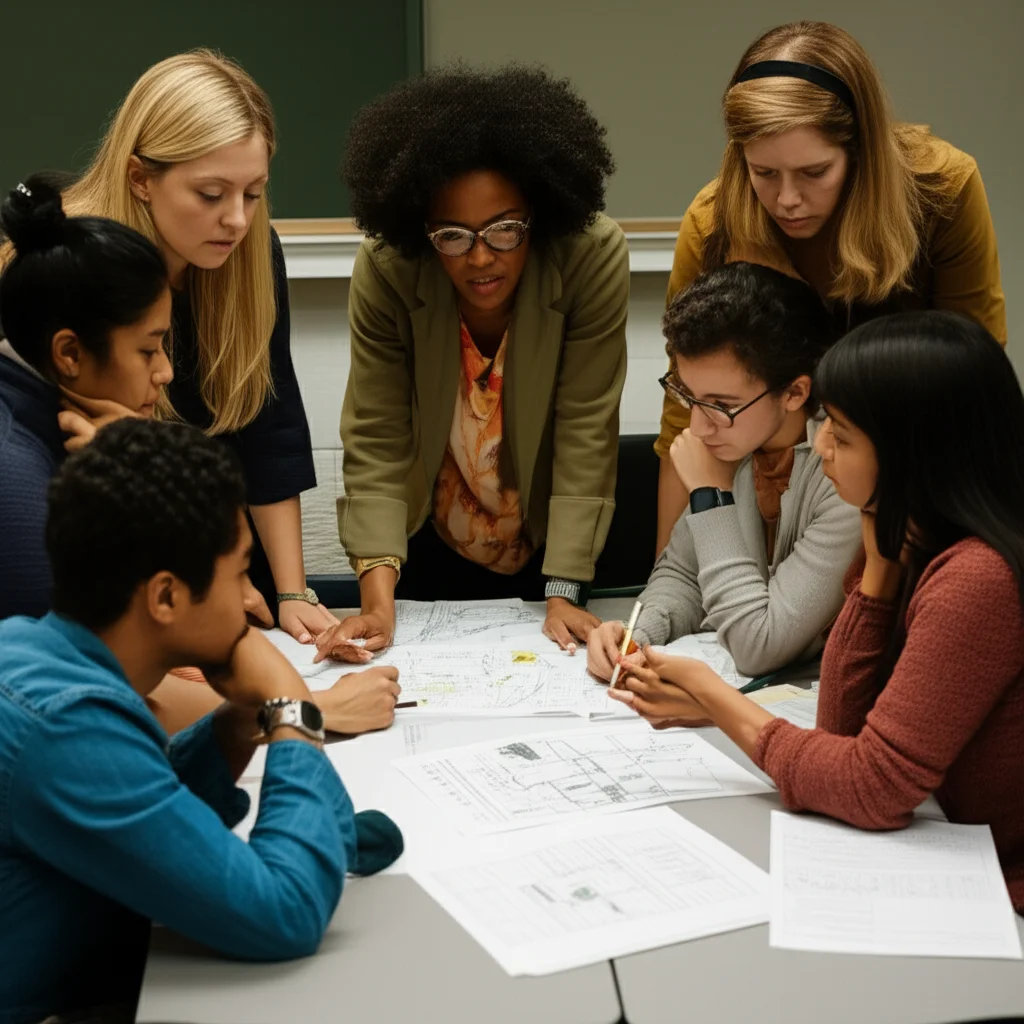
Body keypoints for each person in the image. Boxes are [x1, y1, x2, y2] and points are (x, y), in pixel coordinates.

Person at [610, 311, 1024, 912]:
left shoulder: (976, 577)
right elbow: (840, 731)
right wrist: (878, 577)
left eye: (844, 434)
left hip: (1000, 895)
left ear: (916, 453)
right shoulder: (904, 540)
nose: (821, 446)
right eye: (827, 421)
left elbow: (873, 787)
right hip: (961, 855)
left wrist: (716, 700)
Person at [0, 418, 404, 1023]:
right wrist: (292, 708)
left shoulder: (33, 654)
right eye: (239, 573)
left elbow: (143, 800)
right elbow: (284, 913)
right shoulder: (65, 725)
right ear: (164, 597)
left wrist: (239, 722)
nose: (248, 600)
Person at [0, 176, 401, 737]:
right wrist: (308, 712)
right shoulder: (16, 476)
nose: (164, 372)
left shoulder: (52, 411)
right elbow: (92, 703)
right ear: (68, 352)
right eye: (148, 348)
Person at [10, 48, 335, 645]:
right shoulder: (64, 263)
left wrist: (291, 592)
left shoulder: (252, 256)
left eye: (254, 192)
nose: (237, 220)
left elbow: (272, 425)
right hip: (118, 577)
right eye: (211, 194)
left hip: (222, 564)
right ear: (140, 177)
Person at [654, 20, 1006, 552]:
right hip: (783, 512)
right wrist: (662, 575)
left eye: (814, 172)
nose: (787, 199)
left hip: (921, 489)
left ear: (860, 150)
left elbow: (970, 384)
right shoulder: (712, 223)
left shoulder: (942, 191)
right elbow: (685, 419)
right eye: (763, 173)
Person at [317, 64, 629, 662]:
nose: (481, 258)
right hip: (432, 548)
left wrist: (563, 590)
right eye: (453, 236)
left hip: (552, 547)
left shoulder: (591, 257)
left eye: (506, 230)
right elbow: (378, 434)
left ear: (540, 214)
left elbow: (585, 430)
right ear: (421, 228)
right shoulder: (389, 268)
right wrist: (378, 604)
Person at [588, 262, 861, 682]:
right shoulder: (739, 443)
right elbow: (682, 573)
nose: (697, 427)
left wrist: (711, 494)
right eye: (687, 395)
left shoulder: (847, 476)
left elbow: (759, 647)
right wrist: (636, 634)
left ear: (795, 393)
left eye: (720, 405)